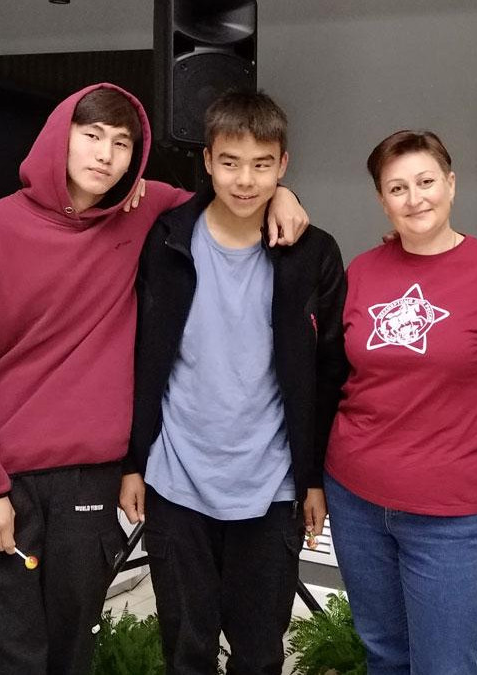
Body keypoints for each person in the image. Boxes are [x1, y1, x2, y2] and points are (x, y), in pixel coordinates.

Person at [0, 83, 309, 675]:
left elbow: (233, 190)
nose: (105, 155)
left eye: (122, 143)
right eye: (91, 136)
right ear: (59, 137)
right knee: (3, 653)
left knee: (73, 653)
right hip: (8, 479)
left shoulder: (144, 215)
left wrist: (284, 196)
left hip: (93, 476)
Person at [118, 90, 347, 675]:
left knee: (260, 654)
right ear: (207, 160)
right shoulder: (166, 239)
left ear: (283, 164)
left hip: (271, 486)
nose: (245, 180)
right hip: (175, 479)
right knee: (186, 652)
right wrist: (133, 462)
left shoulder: (313, 253)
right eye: (230, 162)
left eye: (262, 165)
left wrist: (312, 477)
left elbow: (328, 372)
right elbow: (143, 356)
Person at [323, 130, 477, 675]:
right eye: (397, 188)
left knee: (445, 666)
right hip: (354, 496)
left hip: (447, 512)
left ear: (451, 183)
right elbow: (334, 375)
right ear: (382, 200)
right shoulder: (362, 271)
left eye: (425, 182)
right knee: (384, 654)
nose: (414, 198)